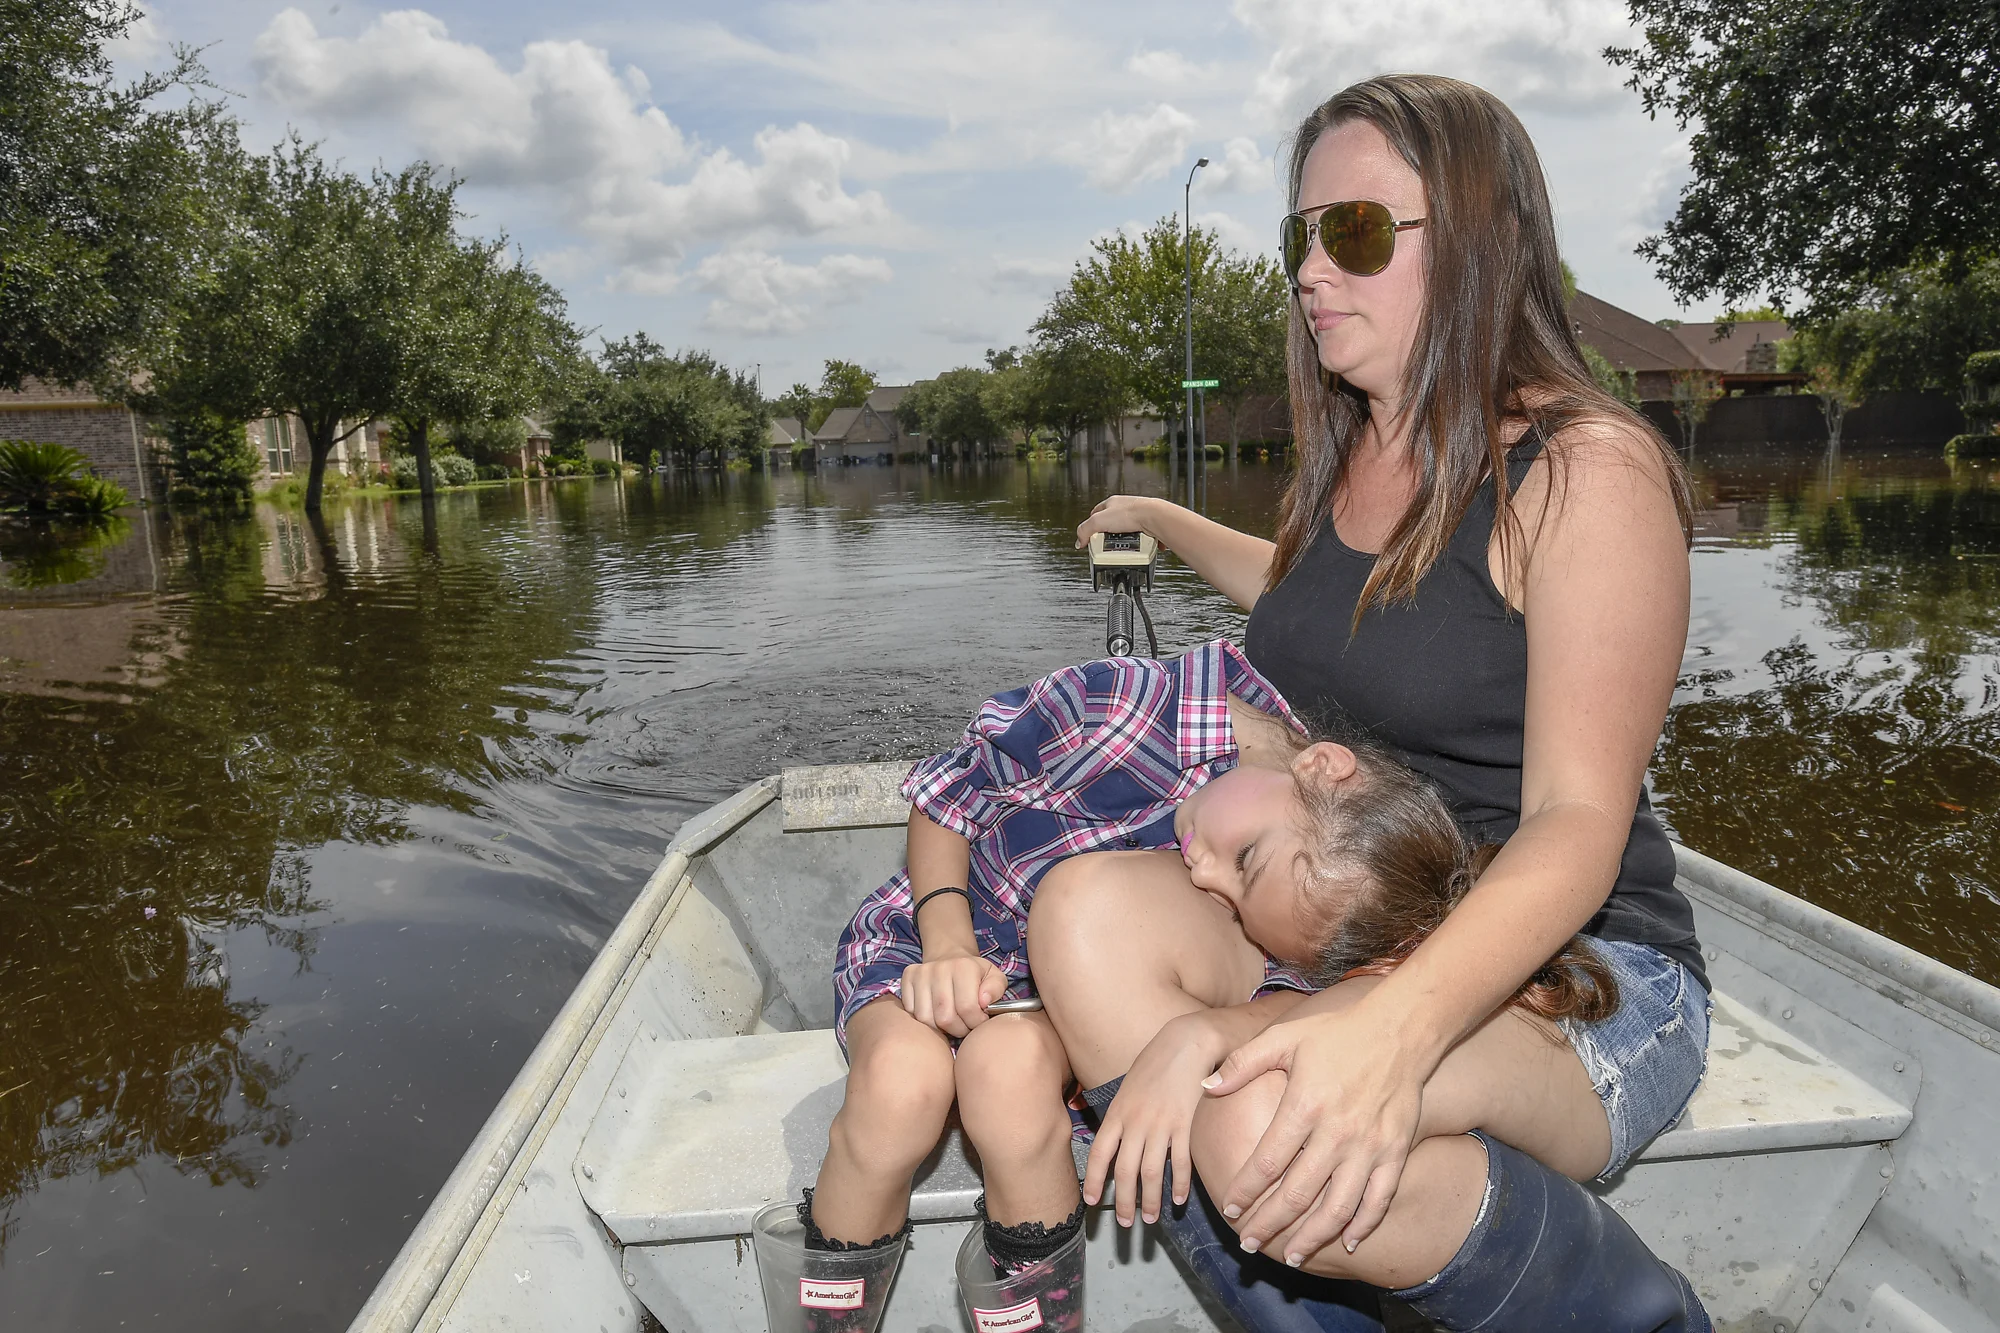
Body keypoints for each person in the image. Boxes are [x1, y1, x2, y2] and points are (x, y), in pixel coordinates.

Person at [1047, 73, 1713, 1332]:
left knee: (1254, 1122)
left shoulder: (1581, 472)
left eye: (1352, 231)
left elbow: (1576, 818)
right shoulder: (1354, 449)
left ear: (1475, 241)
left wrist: (1388, 1031)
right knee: (1080, 914)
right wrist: (1159, 517)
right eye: (1299, 235)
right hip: (1352, 909)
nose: (1309, 270)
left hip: (1570, 969)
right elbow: (1315, 604)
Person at [802, 638, 1601, 1316]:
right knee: (902, 1088)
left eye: (1235, 896)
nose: (1205, 873)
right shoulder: (1123, 703)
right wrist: (946, 943)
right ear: (1320, 766)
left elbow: (1291, 999)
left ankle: (1029, 1308)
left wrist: (1212, 1026)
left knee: (1006, 1079)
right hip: (928, 937)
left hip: (1041, 1000)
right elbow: (947, 798)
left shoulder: (1309, 893)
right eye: (1245, 856)